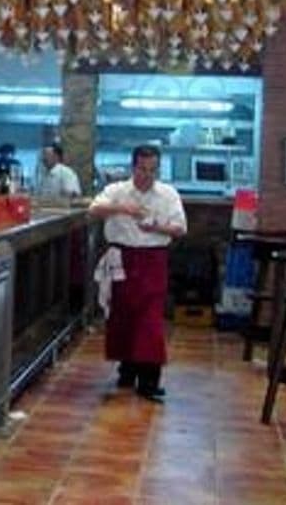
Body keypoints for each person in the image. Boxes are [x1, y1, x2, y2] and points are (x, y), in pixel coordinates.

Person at [88, 145, 187, 401]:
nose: (147, 175)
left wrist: (158, 227)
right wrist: (123, 209)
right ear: (133, 167)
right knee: (121, 316)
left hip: (153, 259)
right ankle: (127, 370)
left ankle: (150, 381)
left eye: (153, 169)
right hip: (121, 257)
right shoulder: (117, 191)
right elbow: (94, 209)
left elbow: (180, 229)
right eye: (142, 169)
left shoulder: (168, 194)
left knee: (150, 321)